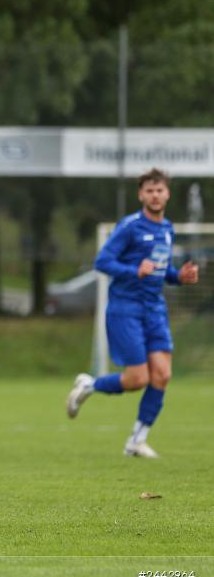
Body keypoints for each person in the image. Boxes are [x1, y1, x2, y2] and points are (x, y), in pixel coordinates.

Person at [67, 168, 199, 457]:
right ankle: (89, 384)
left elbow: (161, 271)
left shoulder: (167, 228)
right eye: (149, 190)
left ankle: (136, 441)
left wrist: (179, 277)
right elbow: (102, 262)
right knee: (137, 379)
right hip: (125, 309)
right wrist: (133, 270)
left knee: (162, 375)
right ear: (141, 194)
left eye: (159, 190)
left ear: (167, 194)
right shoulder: (130, 226)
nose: (155, 195)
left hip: (154, 310)